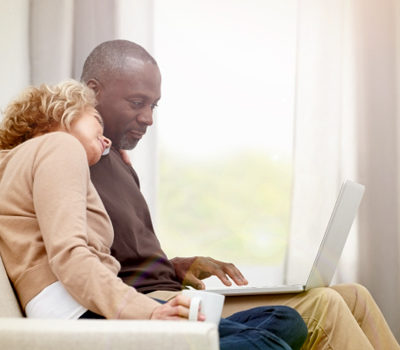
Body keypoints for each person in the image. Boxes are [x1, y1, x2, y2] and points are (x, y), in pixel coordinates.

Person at [83, 39, 400, 350]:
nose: (149, 118)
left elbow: (124, 252)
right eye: (137, 103)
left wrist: (177, 264)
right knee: (325, 305)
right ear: (94, 91)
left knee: (355, 295)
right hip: (153, 307)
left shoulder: (118, 161)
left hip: (172, 292)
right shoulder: (69, 157)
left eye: (153, 106)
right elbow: (80, 262)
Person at [0, 80, 308, 350]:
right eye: (96, 119)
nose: (107, 140)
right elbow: (70, 256)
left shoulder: (20, 165)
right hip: (80, 314)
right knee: (275, 336)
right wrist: (149, 313)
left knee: (284, 320)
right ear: (59, 112)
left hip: (84, 309)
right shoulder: (59, 144)